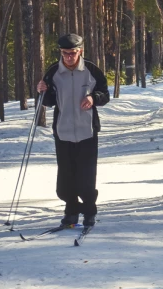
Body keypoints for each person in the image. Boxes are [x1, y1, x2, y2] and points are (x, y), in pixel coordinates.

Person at [37, 33, 110, 227]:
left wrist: (94, 98)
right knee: (66, 178)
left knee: (86, 176)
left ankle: (89, 212)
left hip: (87, 131)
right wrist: (42, 91)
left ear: (80, 51)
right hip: (63, 131)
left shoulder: (91, 69)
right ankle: (71, 211)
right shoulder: (53, 71)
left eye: (72, 53)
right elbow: (49, 101)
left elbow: (105, 94)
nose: (69, 56)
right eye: (65, 53)